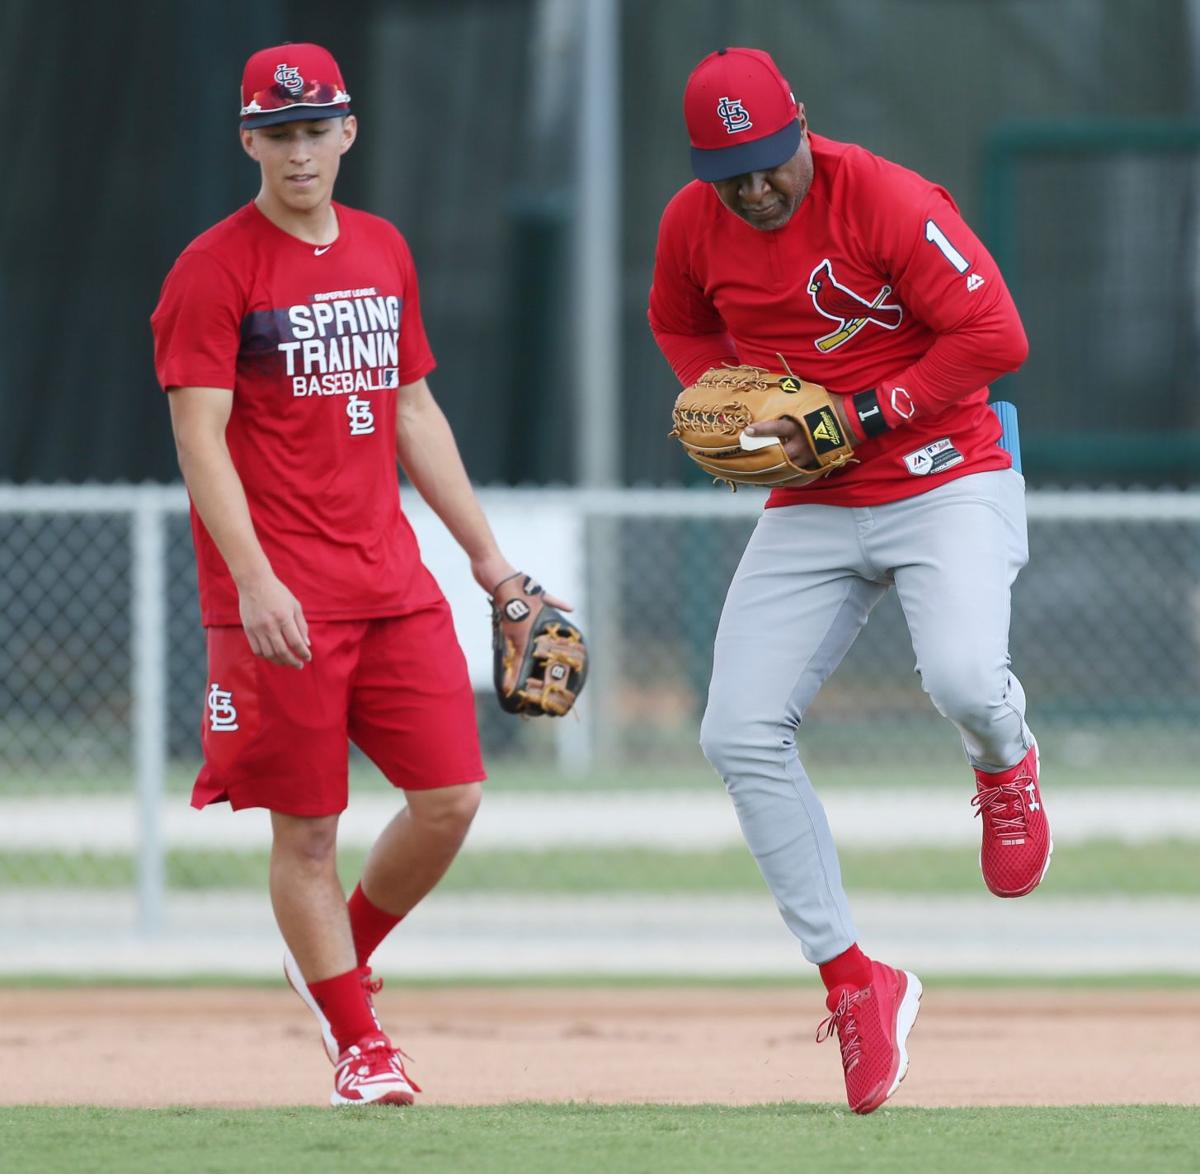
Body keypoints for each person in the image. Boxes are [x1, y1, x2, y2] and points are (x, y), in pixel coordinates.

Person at [151, 42, 556, 1107]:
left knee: (452, 798)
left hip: (392, 580)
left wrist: (493, 567)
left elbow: (415, 409)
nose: (298, 151)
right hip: (278, 600)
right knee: (311, 829)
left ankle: (330, 956)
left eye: (315, 127)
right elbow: (201, 438)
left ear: (348, 131)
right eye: (277, 133)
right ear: (249, 140)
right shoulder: (214, 266)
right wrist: (252, 579)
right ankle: (359, 1038)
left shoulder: (382, 248)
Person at [648, 47, 1050, 1115]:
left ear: (802, 129)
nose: (755, 186)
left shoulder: (883, 197)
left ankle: (1005, 761)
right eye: (729, 170)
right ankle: (856, 980)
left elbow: (997, 334)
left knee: (964, 676)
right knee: (734, 732)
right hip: (817, 496)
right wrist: (728, 399)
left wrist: (863, 416)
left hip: (943, 470)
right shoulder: (694, 224)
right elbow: (680, 321)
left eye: (769, 160)